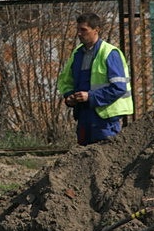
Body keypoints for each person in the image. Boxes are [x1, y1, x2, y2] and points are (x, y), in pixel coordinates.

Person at [57, 12, 133, 145]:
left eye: (83, 30)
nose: (79, 33)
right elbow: (65, 80)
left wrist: (90, 97)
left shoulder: (110, 53)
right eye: (78, 29)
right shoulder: (77, 54)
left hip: (105, 118)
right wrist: (69, 96)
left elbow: (119, 87)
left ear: (96, 30)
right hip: (84, 115)